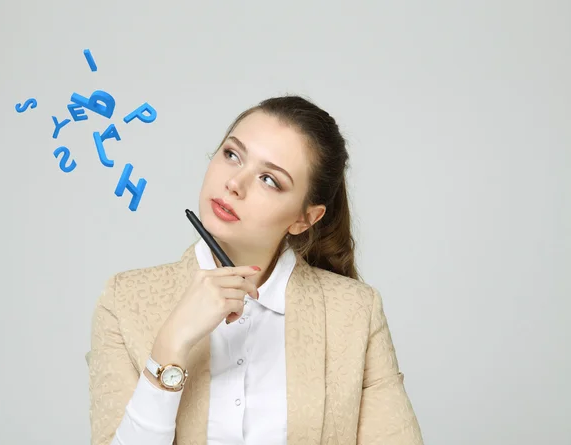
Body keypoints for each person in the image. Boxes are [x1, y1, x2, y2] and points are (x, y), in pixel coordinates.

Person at [87, 95, 424, 445]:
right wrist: (171, 343)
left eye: (269, 179)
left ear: (305, 218)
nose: (235, 183)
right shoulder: (123, 301)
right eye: (232, 155)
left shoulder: (355, 312)